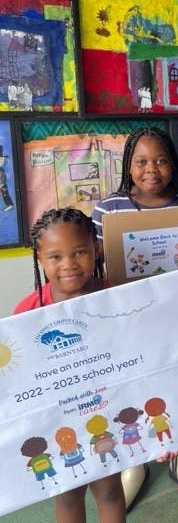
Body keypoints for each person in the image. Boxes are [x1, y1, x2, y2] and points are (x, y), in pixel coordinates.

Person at [92, 127, 178, 511]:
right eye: (141, 161)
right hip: (130, 322)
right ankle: (137, 464)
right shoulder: (108, 209)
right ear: (129, 166)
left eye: (161, 160)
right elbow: (97, 263)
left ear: (173, 164)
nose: (152, 169)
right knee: (133, 390)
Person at [13, 208, 126, 523]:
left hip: (105, 412)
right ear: (40, 258)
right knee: (67, 495)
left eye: (79, 252)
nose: (69, 265)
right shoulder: (27, 312)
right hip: (57, 422)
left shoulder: (116, 299)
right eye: (56, 257)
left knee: (110, 492)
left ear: (96, 249)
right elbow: (21, 379)